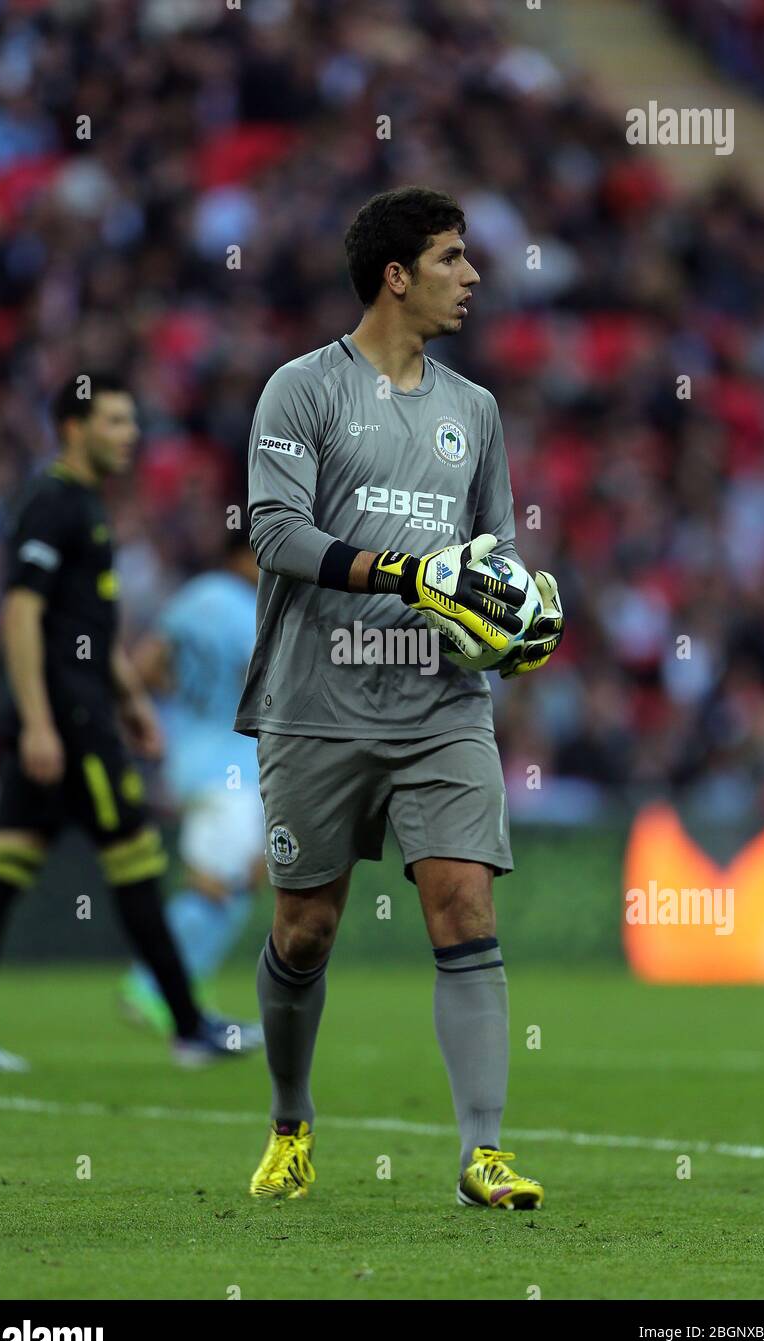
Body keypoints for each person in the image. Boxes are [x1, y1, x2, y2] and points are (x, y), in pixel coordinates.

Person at [236, 187, 563, 1207]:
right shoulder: (301, 390)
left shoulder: (476, 410)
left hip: (439, 709)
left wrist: (517, 623)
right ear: (396, 274)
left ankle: (482, 1153)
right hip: (314, 701)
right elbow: (275, 534)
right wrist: (402, 574)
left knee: (462, 904)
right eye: (452, 258)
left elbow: (493, 556)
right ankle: (291, 1122)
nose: (470, 277)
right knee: (306, 930)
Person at [0, 375, 263, 1073]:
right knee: (137, 863)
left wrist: (131, 702)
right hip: (66, 719)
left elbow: (89, 627)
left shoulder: (85, 507)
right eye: (117, 423)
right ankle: (188, 1026)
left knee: (5, 869)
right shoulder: (52, 502)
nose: (131, 436)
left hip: (85, 709)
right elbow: (23, 614)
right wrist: (37, 722)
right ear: (73, 428)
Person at [119, 533, 266, 1031]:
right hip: (233, 763)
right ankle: (152, 984)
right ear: (241, 556)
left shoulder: (191, 598)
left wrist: (187, 700)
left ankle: (183, 989)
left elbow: (143, 665)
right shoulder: (253, 611)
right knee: (220, 882)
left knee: (240, 878)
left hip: (188, 754)